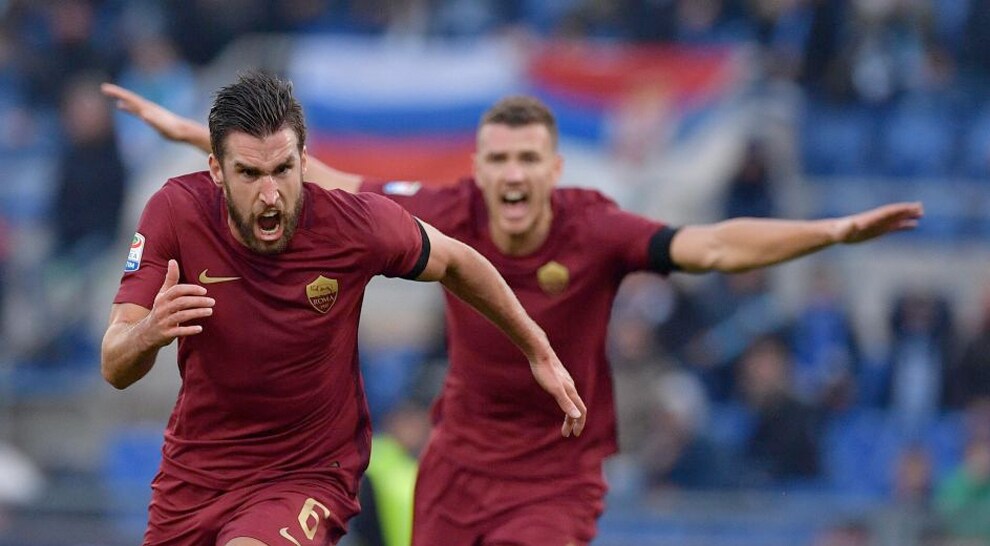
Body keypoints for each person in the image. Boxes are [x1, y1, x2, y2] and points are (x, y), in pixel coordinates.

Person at [102, 82, 924, 546]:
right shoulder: (443, 209)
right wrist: (191, 144)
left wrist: (829, 232)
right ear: (479, 168)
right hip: (454, 464)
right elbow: (334, 183)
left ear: (554, 168)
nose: (514, 175)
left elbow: (709, 246)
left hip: (550, 470)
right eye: (498, 159)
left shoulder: (596, 229)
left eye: (529, 158)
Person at [99, 73, 585, 546]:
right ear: (216, 171)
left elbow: (459, 261)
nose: (270, 195)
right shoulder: (175, 213)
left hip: (306, 471)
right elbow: (114, 365)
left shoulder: (353, 227)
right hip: (195, 475)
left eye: (283, 170)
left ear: (304, 162)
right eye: (248, 174)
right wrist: (149, 332)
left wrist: (537, 350)